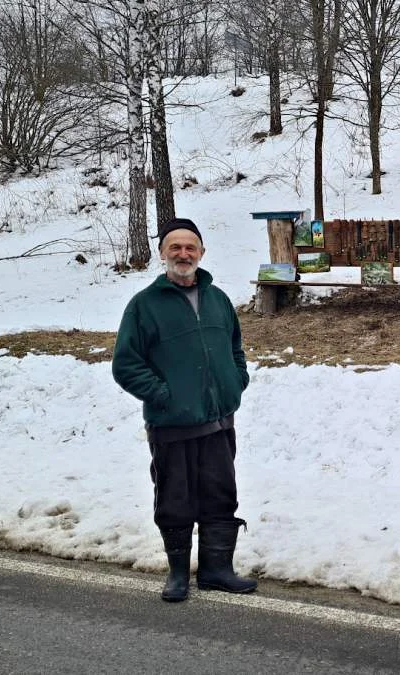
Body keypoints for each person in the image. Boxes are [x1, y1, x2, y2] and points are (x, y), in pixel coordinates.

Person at [112, 217, 257, 602]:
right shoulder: (144, 306)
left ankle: (217, 570)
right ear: (162, 254)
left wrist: (235, 381)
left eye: (190, 247)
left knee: (220, 494)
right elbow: (126, 365)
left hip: (219, 421)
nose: (183, 254)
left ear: (202, 253)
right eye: (174, 247)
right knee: (174, 499)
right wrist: (163, 395)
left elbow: (235, 349)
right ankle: (178, 574)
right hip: (171, 425)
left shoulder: (219, 300)